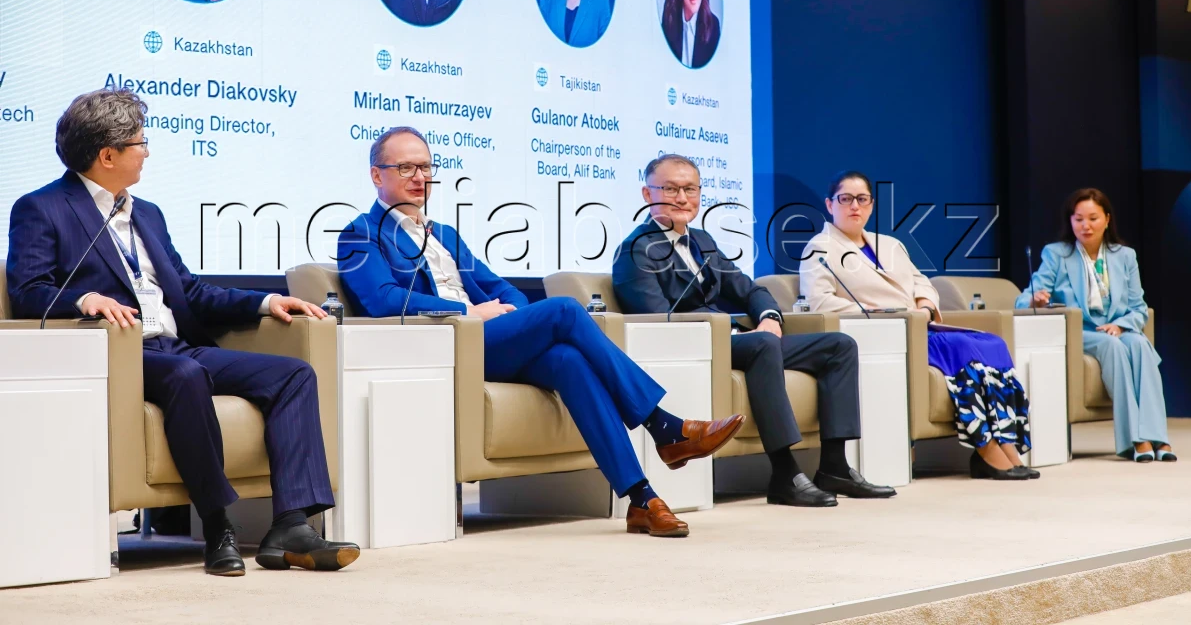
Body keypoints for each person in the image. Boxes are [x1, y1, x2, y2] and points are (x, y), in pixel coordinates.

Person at [5, 89, 359, 576]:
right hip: (119, 354)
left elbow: (188, 290)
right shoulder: (42, 208)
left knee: (294, 375)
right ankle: (219, 526)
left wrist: (264, 301)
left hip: (177, 346)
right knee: (187, 375)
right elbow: (28, 290)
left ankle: (291, 525)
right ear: (107, 155)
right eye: (140, 143)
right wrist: (85, 300)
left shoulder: (146, 213)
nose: (147, 151)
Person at [337, 128, 744, 537]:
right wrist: (471, 312)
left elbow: (502, 288)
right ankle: (663, 425)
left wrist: (519, 319)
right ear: (377, 175)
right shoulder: (360, 234)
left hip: (487, 341)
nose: (420, 177)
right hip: (444, 345)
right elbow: (385, 301)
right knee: (565, 310)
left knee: (568, 360)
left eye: (426, 167)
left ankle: (641, 500)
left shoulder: (442, 233)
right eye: (406, 167)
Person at [613, 155, 896, 505]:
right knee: (762, 345)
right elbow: (658, 321)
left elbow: (751, 290)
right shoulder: (634, 250)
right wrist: (735, 335)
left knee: (838, 345)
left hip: (738, 341)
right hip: (695, 349)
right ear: (647, 193)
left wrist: (769, 318)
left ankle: (835, 466)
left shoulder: (702, 241)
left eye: (690, 189)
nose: (682, 198)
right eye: (670, 189)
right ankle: (785, 474)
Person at [800, 171, 1038, 481]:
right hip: (884, 334)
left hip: (919, 326)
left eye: (862, 199)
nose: (854, 206)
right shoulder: (819, 248)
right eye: (846, 199)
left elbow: (920, 281)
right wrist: (878, 312)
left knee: (993, 343)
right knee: (965, 348)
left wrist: (925, 305)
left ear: (872, 205)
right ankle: (987, 450)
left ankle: (1006, 445)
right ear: (830, 204)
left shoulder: (890, 244)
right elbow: (819, 302)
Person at [1016, 188, 1174, 462]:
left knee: (1139, 344)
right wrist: (1036, 299)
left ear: (1107, 219)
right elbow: (1025, 298)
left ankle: (1158, 436)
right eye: (1078, 219)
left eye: (1093, 218)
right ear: (1071, 221)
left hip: (1115, 328)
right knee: (1111, 346)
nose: (1085, 226)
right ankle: (1136, 440)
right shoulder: (1057, 254)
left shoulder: (1125, 256)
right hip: (1079, 332)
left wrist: (1122, 326)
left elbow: (1139, 307)